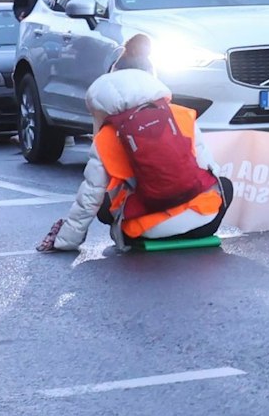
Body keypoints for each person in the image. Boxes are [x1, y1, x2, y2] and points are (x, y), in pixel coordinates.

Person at [37, 35, 230, 253]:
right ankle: (191, 224)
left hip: (144, 229)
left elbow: (90, 195)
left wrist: (66, 240)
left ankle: (141, 230)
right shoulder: (181, 115)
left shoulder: (107, 136)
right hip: (203, 223)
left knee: (103, 202)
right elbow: (209, 170)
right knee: (224, 184)